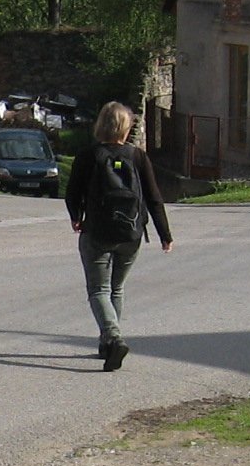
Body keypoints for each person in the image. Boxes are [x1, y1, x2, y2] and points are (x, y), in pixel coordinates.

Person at [63, 102, 173, 370]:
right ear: (126, 127)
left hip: (97, 232)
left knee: (99, 289)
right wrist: (164, 234)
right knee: (116, 288)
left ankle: (113, 337)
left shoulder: (89, 155)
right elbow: (154, 198)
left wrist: (76, 216)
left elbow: (72, 192)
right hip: (131, 234)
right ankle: (108, 344)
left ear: (100, 124)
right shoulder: (137, 156)